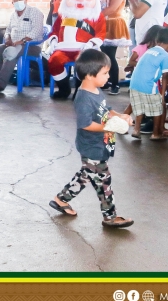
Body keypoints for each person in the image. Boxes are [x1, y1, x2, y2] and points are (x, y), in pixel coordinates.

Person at [48, 49, 134, 229]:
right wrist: (109, 126)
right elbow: (85, 124)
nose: (108, 76)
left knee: (86, 175)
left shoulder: (96, 90)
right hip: (91, 145)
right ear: (89, 75)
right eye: (105, 73)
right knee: (103, 181)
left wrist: (120, 116)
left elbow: (107, 109)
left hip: (100, 143)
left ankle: (61, 199)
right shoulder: (84, 98)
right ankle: (110, 217)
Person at [48, 0, 106, 100]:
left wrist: (90, 44)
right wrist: (53, 40)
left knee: (84, 64)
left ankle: (80, 90)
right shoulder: (62, 14)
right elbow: (55, 30)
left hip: (85, 50)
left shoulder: (97, 15)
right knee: (53, 61)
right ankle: (64, 88)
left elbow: (101, 33)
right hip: (63, 48)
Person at [0, 0, 45, 94]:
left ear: (26, 0)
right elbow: (8, 30)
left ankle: (0, 84)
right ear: (12, 3)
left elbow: (37, 30)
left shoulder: (35, 12)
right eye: (15, 1)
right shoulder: (13, 15)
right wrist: (7, 38)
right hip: (13, 44)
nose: (18, 2)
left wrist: (22, 41)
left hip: (31, 46)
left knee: (11, 52)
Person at [129, 27, 168, 140]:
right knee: (158, 108)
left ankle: (136, 130)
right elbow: (165, 77)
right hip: (148, 85)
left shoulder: (149, 51)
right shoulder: (165, 56)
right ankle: (155, 133)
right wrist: (163, 95)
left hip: (134, 84)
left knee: (139, 108)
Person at [100, 0, 130, 95]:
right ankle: (106, 81)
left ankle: (115, 84)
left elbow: (112, 9)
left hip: (113, 23)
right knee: (105, 55)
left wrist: (97, 16)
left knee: (111, 56)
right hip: (104, 22)